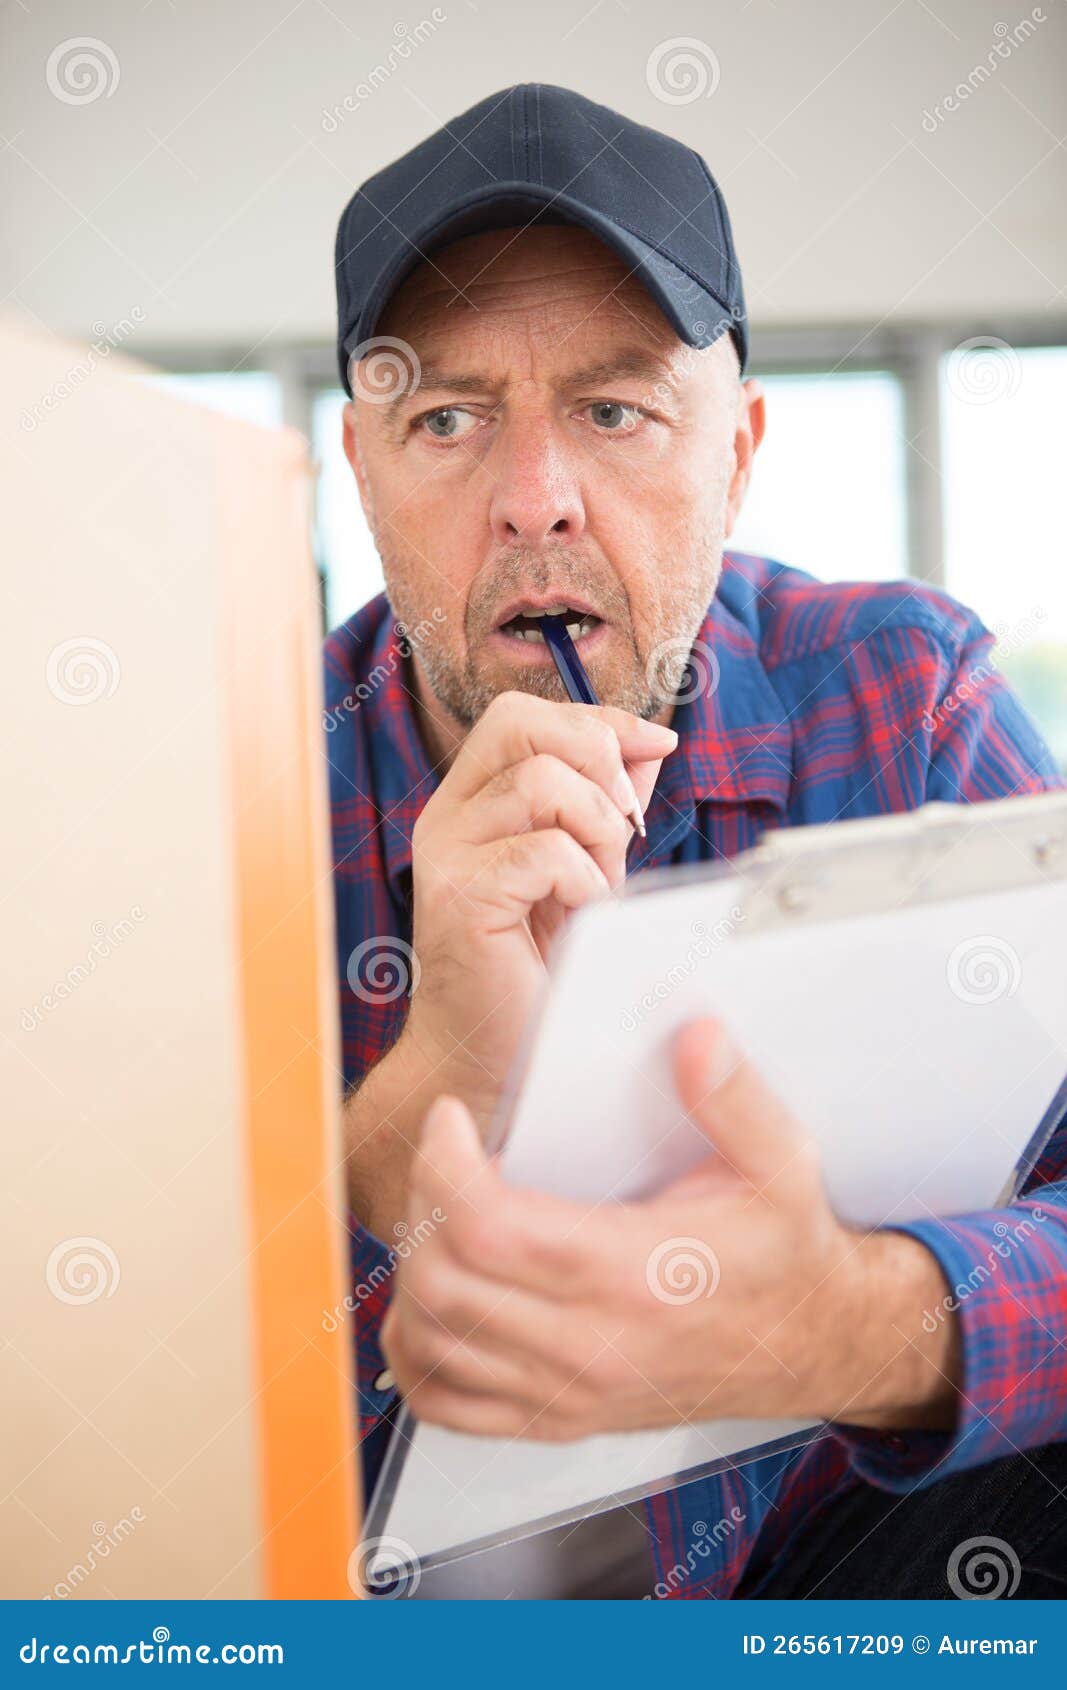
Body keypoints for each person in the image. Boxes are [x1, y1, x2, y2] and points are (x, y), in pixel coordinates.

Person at [325, 85, 1067, 1598]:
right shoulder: (228, 796)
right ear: (363, 471)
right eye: (448, 419)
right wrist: (438, 1092)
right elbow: (121, 1400)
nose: (536, 503)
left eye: (616, 410)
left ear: (736, 454)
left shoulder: (904, 698)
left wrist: (858, 1318)